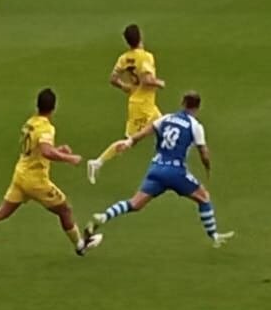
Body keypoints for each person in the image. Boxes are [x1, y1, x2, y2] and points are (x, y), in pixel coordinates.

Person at [0, 87, 101, 255]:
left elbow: (36, 150)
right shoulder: (47, 128)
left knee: (2, 212)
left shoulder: (30, 123)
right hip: (36, 181)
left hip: (20, 175)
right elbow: (46, 151)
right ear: (54, 108)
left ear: (37, 105)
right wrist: (69, 158)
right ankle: (80, 246)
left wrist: (58, 150)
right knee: (65, 210)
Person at [87, 91, 232, 245]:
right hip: (176, 172)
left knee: (135, 203)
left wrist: (130, 142)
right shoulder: (195, 126)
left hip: (156, 168)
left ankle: (104, 216)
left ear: (182, 103)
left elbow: (144, 132)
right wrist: (207, 167)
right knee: (204, 198)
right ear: (198, 108)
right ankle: (214, 236)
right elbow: (203, 152)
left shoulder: (166, 118)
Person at [89, 23, 164, 177]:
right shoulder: (145, 56)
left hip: (141, 102)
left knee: (164, 126)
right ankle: (97, 162)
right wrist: (159, 83)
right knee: (130, 141)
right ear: (140, 36)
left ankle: (164, 161)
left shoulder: (124, 58)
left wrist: (125, 87)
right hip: (142, 106)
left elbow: (113, 78)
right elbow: (147, 79)